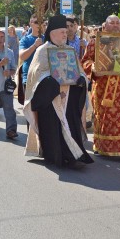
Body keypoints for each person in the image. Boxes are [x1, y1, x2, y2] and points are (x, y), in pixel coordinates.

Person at [23, 15, 94, 167]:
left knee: (70, 124)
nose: (65, 34)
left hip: (69, 97)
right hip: (50, 99)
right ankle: (55, 156)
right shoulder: (42, 50)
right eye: (62, 31)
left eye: (66, 31)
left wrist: (81, 78)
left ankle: (73, 155)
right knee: (52, 127)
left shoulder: (70, 50)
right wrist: (50, 81)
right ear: (52, 33)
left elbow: (79, 71)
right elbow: (35, 74)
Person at [82, 15, 120, 162]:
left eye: (117, 23)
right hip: (103, 86)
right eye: (111, 23)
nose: (115, 25)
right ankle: (103, 148)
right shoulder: (95, 42)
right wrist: (93, 67)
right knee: (105, 117)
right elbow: (85, 61)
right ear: (105, 25)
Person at [19, 15, 43, 90]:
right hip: (29, 78)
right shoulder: (25, 40)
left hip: (44, 78)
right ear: (31, 23)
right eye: (36, 22)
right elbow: (22, 56)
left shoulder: (47, 39)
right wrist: (35, 45)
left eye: (41, 22)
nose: (39, 25)